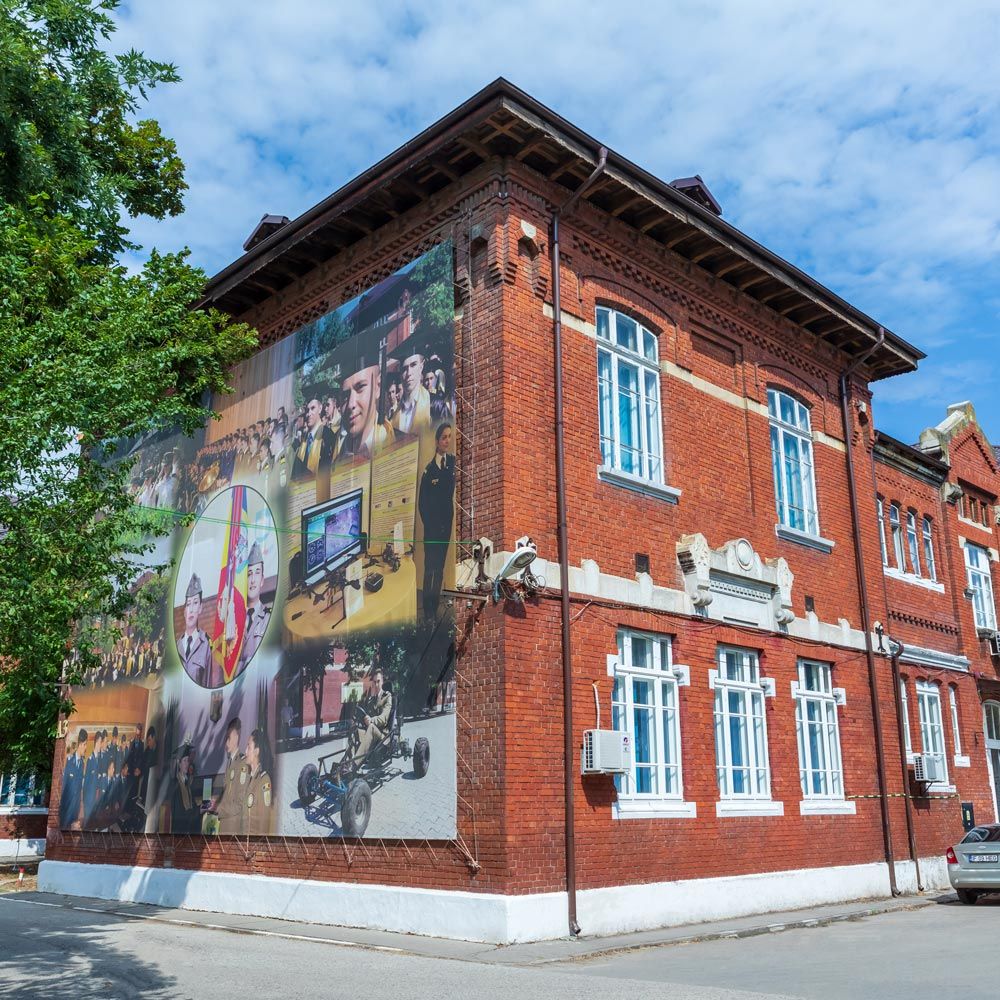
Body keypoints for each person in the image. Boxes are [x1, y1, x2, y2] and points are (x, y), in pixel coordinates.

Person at [417, 423, 455, 619]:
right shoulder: (429, 470)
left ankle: (435, 603)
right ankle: (428, 609)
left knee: (439, 568)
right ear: (437, 441)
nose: (447, 441)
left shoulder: (453, 464)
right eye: (444, 437)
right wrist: (430, 525)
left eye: (449, 437)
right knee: (430, 568)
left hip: (445, 526)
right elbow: (422, 504)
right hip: (432, 529)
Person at [335, 355, 394, 463]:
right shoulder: (337, 460)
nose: (350, 404)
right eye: (345, 395)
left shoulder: (398, 447)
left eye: (360, 387)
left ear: (378, 386)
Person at [213, 717, 250, 835]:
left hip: (233, 828)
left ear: (236, 737)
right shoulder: (230, 762)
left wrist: (218, 808)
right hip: (225, 825)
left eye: (228, 738)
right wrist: (216, 801)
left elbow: (239, 804)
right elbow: (227, 794)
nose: (226, 743)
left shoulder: (242, 763)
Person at [238, 541, 271, 672]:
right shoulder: (234, 620)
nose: (252, 580)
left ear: (262, 580)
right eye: (249, 574)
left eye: (257, 573)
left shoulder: (269, 618)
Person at [177, 573, 213, 686]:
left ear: (200, 608)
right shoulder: (177, 645)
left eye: (195, 603)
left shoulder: (206, 645)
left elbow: (207, 682)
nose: (191, 609)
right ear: (184, 611)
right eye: (188, 604)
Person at [351, 668, 392, 764]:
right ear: (372, 683)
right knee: (356, 731)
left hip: (383, 737)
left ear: (382, 682)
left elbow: (384, 719)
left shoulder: (387, 697)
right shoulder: (371, 700)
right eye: (374, 682)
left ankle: (354, 765)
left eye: (378, 681)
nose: (376, 685)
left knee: (372, 727)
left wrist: (371, 720)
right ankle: (347, 763)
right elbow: (365, 716)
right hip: (372, 734)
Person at [292, 394, 337, 478]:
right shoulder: (304, 440)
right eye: (307, 410)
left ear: (320, 409)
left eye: (313, 408)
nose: (308, 414)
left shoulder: (328, 436)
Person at [242, 729, 274, 835]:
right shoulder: (249, 778)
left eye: (249, 747)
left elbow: (263, 826)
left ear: (256, 751)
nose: (245, 751)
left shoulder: (264, 781)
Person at [392, 351, 432, 436]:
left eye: (413, 365)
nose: (409, 373)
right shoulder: (393, 417)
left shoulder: (435, 405)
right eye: (404, 369)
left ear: (421, 366)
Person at [170, 742, 201, 834]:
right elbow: (180, 813)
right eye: (184, 761)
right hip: (180, 830)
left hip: (188, 828)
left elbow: (192, 805)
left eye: (188, 760)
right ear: (179, 764)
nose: (187, 764)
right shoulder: (175, 784)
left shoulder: (187, 783)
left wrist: (202, 806)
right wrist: (199, 810)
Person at [59, 731, 87, 829]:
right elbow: (63, 788)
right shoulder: (69, 761)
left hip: (75, 811)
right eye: (84, 744)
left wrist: (78, 815)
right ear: (79, 745)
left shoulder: (82, 764)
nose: (85, 747)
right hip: (65, 810)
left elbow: (79, 790)